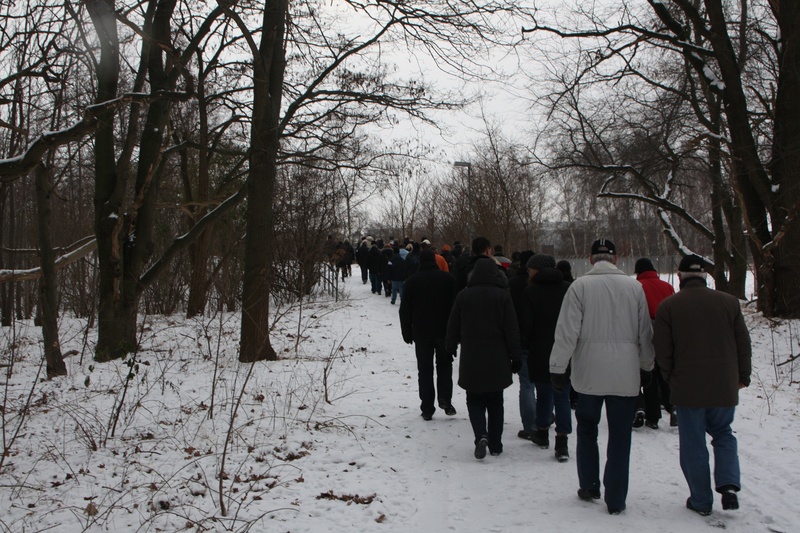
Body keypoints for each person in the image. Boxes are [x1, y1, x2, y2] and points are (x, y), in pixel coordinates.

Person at [549, 238, 654, 515]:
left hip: (589, 373)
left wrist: (558, 367)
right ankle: (616, 498)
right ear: (616, 259)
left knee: (587, 428)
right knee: (620, 435)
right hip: (624, 373)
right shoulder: (634, 288)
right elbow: (645, 332)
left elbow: (567, 331)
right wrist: (647, 365)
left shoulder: (579, 287)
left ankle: (589, 485)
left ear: (591, 259)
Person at [653, 254, 751, 516]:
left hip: (688, 386)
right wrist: (743, 375)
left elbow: (663, 350)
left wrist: (670, 378)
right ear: (705, 276)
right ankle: (728, 484)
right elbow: (743, 342)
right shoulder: (729, 302)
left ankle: (701, 500)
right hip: (724, 383)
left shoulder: (668, 307)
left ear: (679, 276)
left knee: (693, 442)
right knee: (723, 433)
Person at [446, 257, 522, 459]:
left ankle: (481, 434)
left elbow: (453, 324)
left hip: (472, 355)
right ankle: (496, 444)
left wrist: (450, 346)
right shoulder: (503, 296)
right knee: (496, 401)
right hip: (498, 356)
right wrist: (516, 356)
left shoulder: (464, 296)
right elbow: (511, 328)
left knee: (474, 399)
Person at [520, 253, 572, 462]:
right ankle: (562, 441)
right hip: (564, 348)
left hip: (540, 349)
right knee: (562, 395)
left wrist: (523, 347)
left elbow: (526, 325)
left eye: (530, 268)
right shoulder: (568, 289)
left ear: (537, 270)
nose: (528, 271)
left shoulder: (531, 292)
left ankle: (542, 432)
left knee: (543, 393)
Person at [399, 250, 458, 421]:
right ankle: (445, 399)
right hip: (444, 331)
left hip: (421, 332)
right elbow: (456, 308)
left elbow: (405, 310)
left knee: (424, 370)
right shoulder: (448, 279)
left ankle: (427, 407)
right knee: (445, 366)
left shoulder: (412, 281)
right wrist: (456, 333)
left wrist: (407, 332)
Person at [633, 257, 676, 429]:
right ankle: (673, 406)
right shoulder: (667, 286)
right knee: (664, 373)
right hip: (666, 332)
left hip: (645, 332)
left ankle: (651, 415)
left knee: (647, 371)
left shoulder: (637, 287)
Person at [508, 250, 536, 440]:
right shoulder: (545, 285)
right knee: (545, 384)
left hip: (521, 338)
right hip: (543, 340)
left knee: (526, 384)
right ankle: (544, 417)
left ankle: (529, 426)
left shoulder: (512, 284)